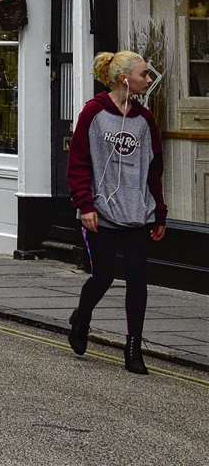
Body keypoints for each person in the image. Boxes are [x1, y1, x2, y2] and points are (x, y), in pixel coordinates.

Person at [67, 50, 166, 376]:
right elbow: (78, 162)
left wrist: (159, 212)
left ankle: (134, 346)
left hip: (137, 213)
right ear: (125, 78)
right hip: (102, 213)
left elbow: (154, 169)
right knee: (104, 275)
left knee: (138, 280)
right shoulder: (94, 113)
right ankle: (81, 318)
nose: (148, 80)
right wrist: (85, 205)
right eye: (143, 75)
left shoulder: (144, 119)